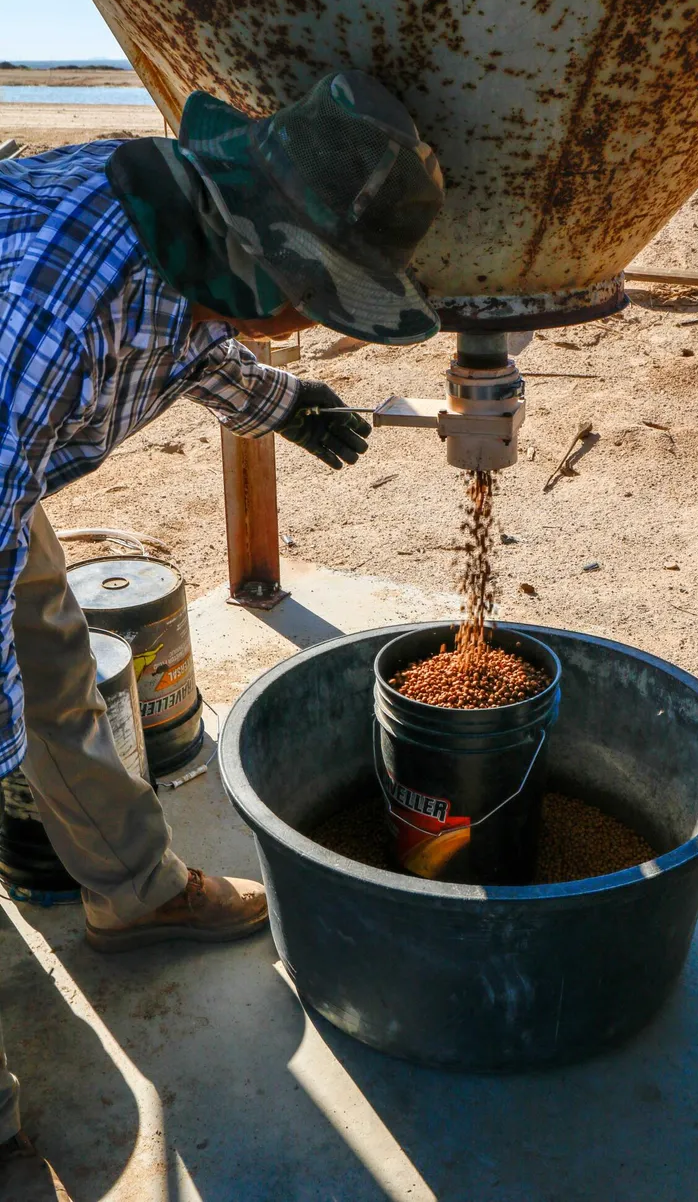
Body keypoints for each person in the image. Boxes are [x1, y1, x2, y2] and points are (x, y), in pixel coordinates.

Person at [0, 69, 444, 1198]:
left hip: (6, 474)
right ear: (261, 255)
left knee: (49, 650)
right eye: (315, 295)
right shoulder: (51, 308)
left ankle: (133, 892)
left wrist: (280, 401)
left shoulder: (187, 239)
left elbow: (180, 335)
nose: (313, 322)